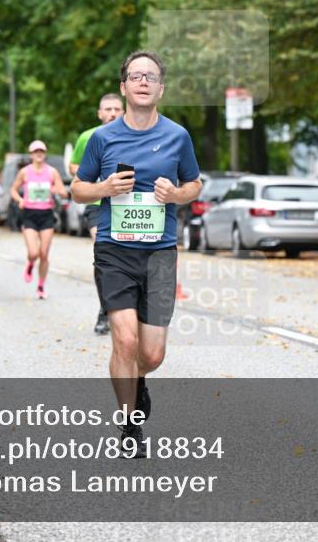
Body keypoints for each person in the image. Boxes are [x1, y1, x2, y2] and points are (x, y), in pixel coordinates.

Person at [71, 51, 202, 456]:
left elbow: (195, 185)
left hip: (160, 254)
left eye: (151, 76)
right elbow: (77, 189)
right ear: (124, 86)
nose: (143, 81)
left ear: (160, 87)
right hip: (114, 251)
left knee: (152, 353)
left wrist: (175, 194)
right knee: (124, 342)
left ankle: (138, 383)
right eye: (135, 75)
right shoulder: (102, 138)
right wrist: (106, 188)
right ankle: (129, 426)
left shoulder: (178, 136)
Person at [70, 93, 125, 334]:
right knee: (103, 250)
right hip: (96, 203)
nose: (113, 113)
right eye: (108, 109)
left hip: (126, 206)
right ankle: (105, 310)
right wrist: (94, 175)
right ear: (100, 113)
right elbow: (74, 167)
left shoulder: (132, 136)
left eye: (117, 109)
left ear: (123, 111)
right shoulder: (88, 136)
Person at [10, 141, 68, 300]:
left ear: (45, 153)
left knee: (44, 254)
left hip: (46, 215)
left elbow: (64, 192)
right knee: (33, 252)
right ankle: (30, 264)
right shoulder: (24, 172)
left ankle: (41, 285)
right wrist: (19, 200)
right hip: (29, 214)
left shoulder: (52, 172)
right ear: (31, 154)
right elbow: (13, 189)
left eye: (41, 151)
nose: (39, 153)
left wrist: (56, 190)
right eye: (35, 151)